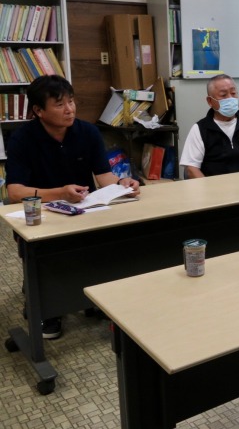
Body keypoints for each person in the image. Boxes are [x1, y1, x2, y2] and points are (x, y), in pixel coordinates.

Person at [6, 75, 140, 339]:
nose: (69, 109)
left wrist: (122, 183)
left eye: (71, 101)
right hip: (41, 213)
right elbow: (15, 192)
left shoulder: (87, 132)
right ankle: (47, 307)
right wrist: (60, 193)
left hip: (83, 208)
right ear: (38, 111)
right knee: (48, 251)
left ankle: (91, 294)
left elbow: (103, 176)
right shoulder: (22, 138)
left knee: (105, 241)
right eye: (59, 104)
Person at [180, 74, 239, 178]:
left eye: (233, 93)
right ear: (210, 101)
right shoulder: (200, 129)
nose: (230, 98)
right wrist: (208, 188)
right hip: (213, 186)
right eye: (223, 95)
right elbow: (192, 169)